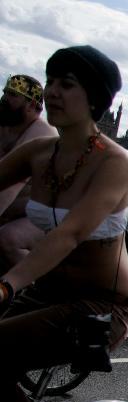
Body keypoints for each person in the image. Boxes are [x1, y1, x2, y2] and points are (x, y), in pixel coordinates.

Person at [0, 45, 128, 402]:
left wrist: (8, 283)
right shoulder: (39, 153)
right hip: (48, 291)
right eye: (51, 81)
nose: (52, 92)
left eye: (67, 84)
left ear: (94, 98)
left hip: (99, 306)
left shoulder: (116, 163)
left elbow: (72, 233)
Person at [0, 74, 59, 269]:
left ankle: (39, 291)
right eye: (5, 92)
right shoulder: (5, 126)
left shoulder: (41, 134)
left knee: (8, 239)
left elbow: (11, 185)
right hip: (17, 210)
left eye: (13, 95)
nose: (5, 99)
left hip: (53, 216)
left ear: (32, 106)